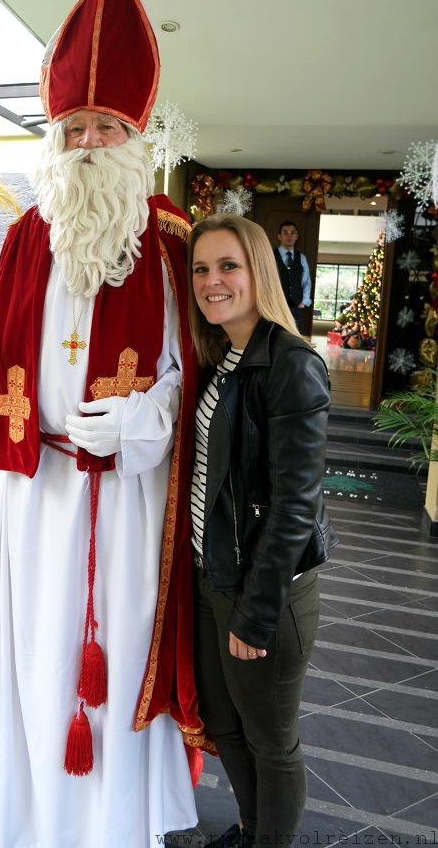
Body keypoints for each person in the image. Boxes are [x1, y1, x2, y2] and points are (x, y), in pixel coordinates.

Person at [0, 0, 204, 848]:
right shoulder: (22, 238)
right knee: (31, 664)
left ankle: (110, 827)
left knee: (109, 661)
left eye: (103, 125)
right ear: (53, 133)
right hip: (30, 491)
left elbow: (190, 378)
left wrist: (136, 422)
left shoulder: (168, 244)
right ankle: (28, 817)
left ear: (134, 137)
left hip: (124, 497)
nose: (84, 142)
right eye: (72, 125)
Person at [188, 213, 334, 848]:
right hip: (214, 573)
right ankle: (250, 829)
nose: (212, 281)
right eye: (201, 269)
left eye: (228, 266)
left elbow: (295, 506)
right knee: (225, 721)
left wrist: (256, 611)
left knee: (272, 740)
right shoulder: (225, 356)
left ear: (259, 272)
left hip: (263, 591)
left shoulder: (290, 363)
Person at [274, 220, 312, 333]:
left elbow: (306, 282)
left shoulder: (302, 258)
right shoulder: (271, 256)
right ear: (279, 236)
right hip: (276, 306)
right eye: (285, 233)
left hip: (297, 307)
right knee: (276, 336)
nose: (289, 236)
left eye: (292, 233)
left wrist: (303, 303)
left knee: (297, 338)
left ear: (296, 236)